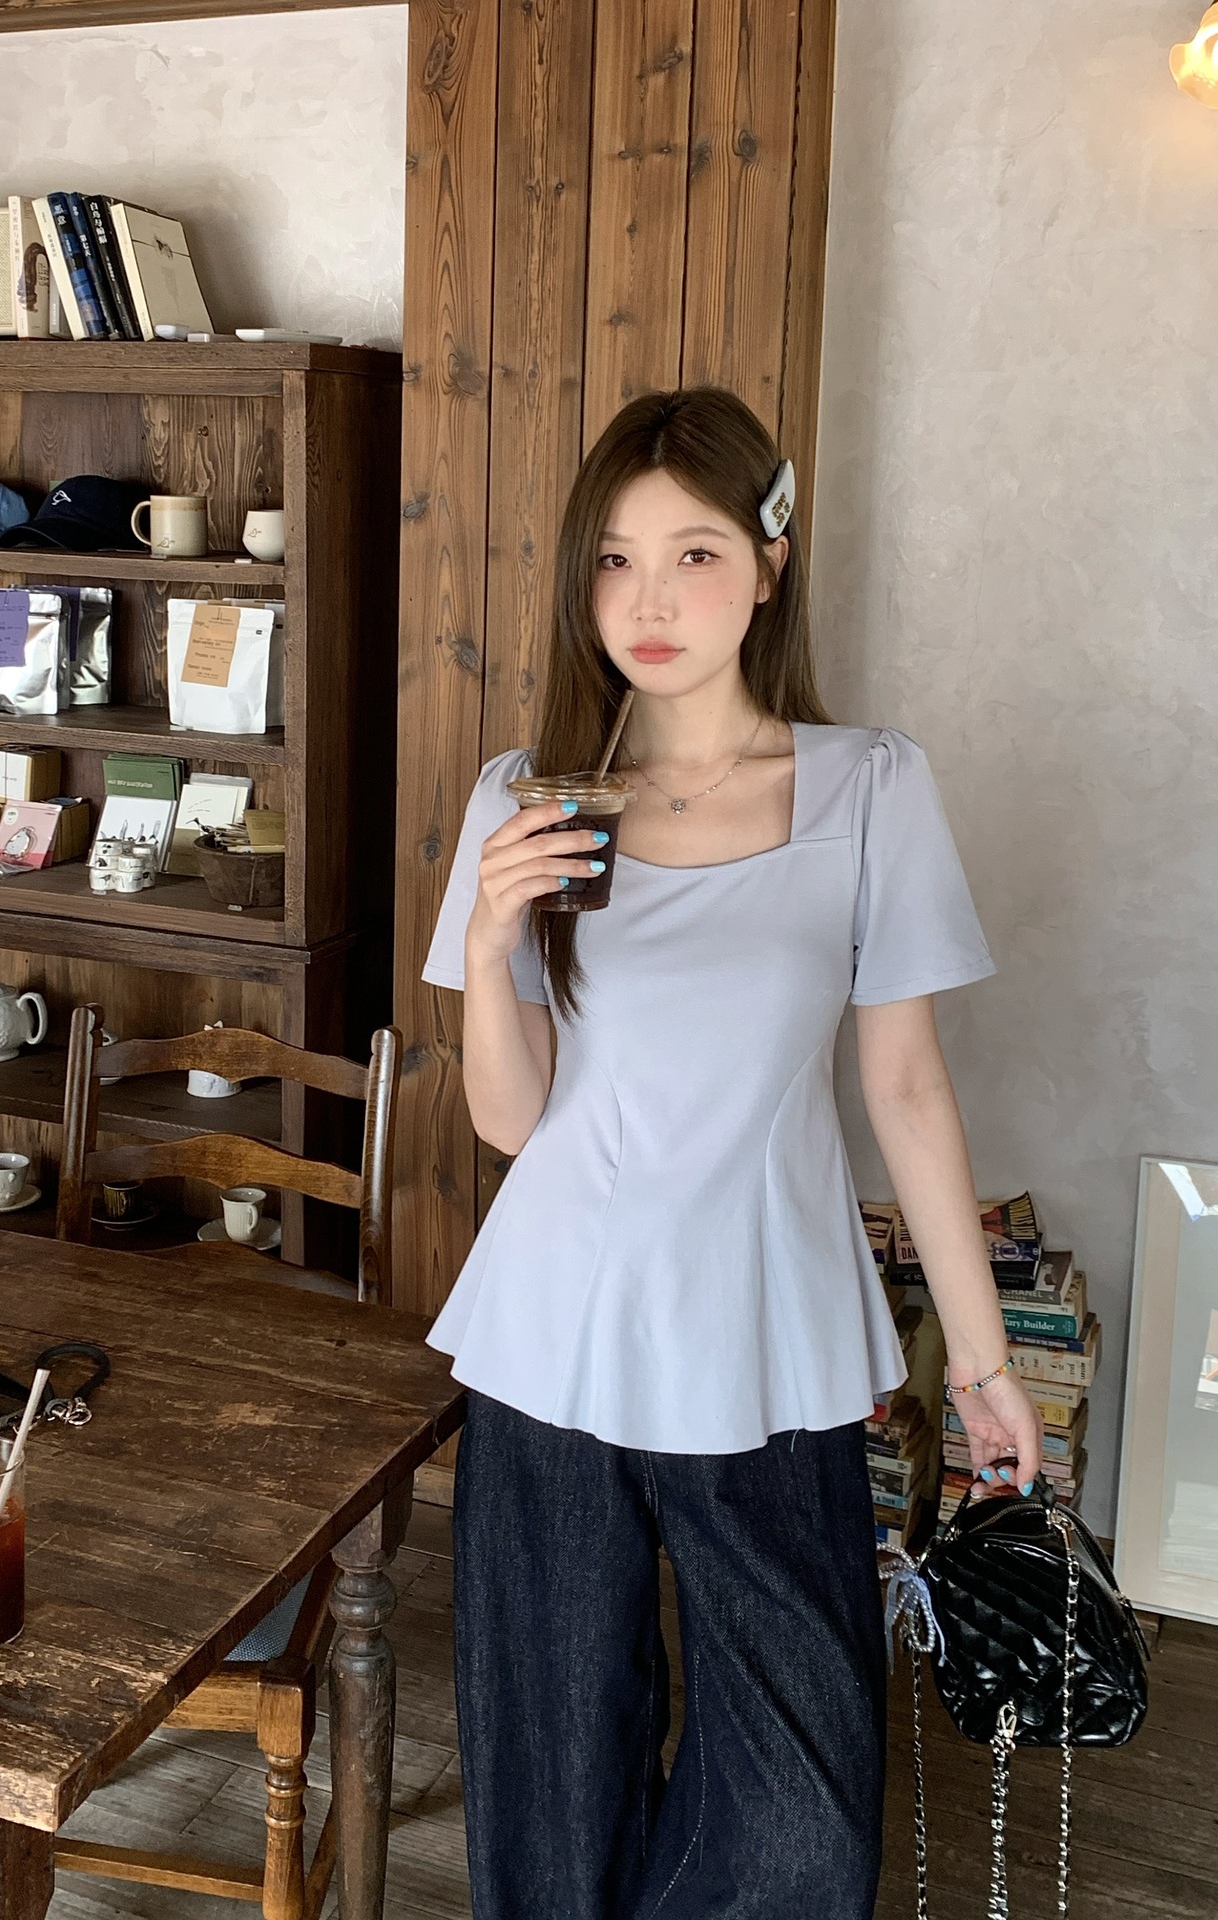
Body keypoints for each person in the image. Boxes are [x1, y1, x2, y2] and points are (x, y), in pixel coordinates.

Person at [421, 387, 1041, 1919]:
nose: (649, 601)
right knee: (551, 1794)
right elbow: (512, 1119)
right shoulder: (528, 795)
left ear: (770, 561)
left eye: (693, 554)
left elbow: (906, 1087)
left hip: (766, 1336)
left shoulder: (871, 785)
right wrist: (491, 937)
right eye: (614, 560)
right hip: (551, 1334)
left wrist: (982, 1364)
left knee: (802, 1817)